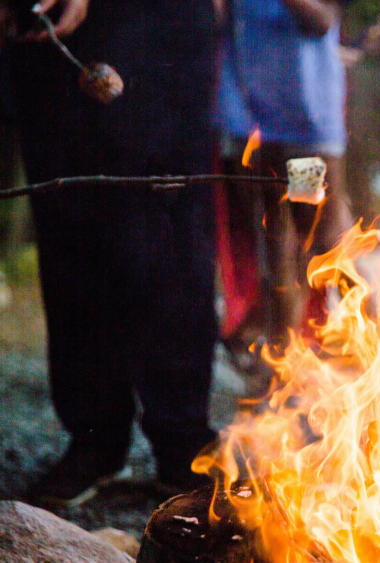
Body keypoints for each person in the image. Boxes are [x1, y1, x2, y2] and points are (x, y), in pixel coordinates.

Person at [5, 0, 220, 505]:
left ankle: (183, 440)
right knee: (68, 227)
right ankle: (95, 438)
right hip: (49, 44)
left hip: (152, 31)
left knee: (166, 231)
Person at [217, 0, 353, 377]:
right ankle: (282, 350)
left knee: (317, 236)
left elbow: (322, 21)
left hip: (304, 128)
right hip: (254, 123)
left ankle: (346, 335)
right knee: (272, 234)